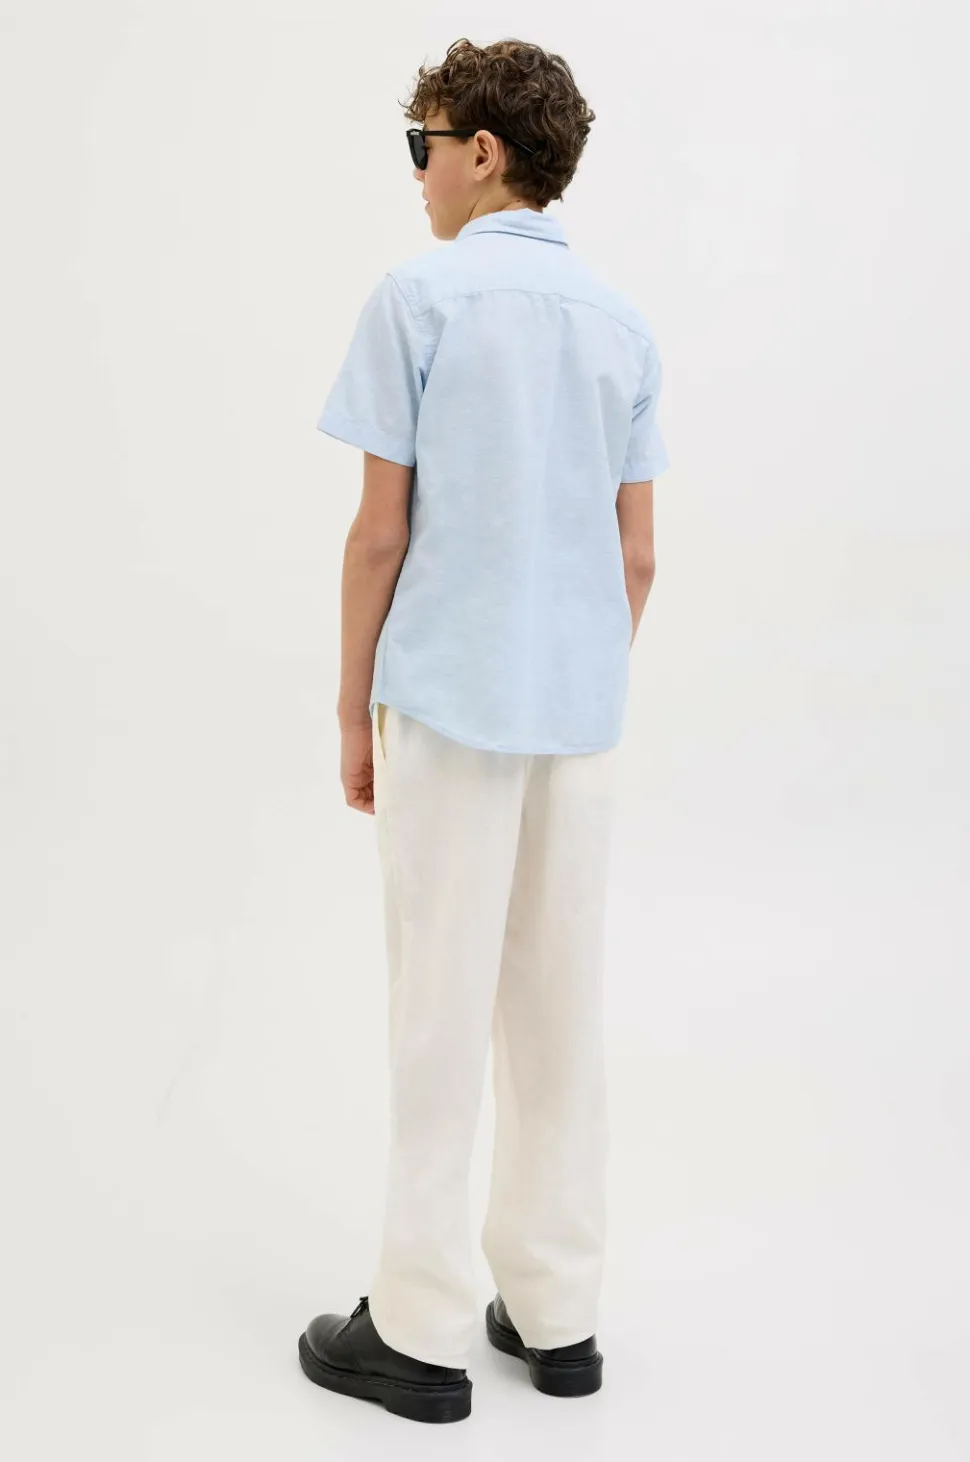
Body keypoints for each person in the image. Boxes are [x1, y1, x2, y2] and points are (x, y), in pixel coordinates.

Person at [298, 36, 669, 1424]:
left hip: (450, 707)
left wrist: (353, 707)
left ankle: (417, 1325)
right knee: (557, 1007)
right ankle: (558, 1313)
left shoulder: (419, 297)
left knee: (438, 1012)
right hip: (576, 718)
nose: (417, 174)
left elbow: (377, 535)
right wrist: (570, 671)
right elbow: (637, 555)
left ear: (483, 153)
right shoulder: (621, 324)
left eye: (425, 145)